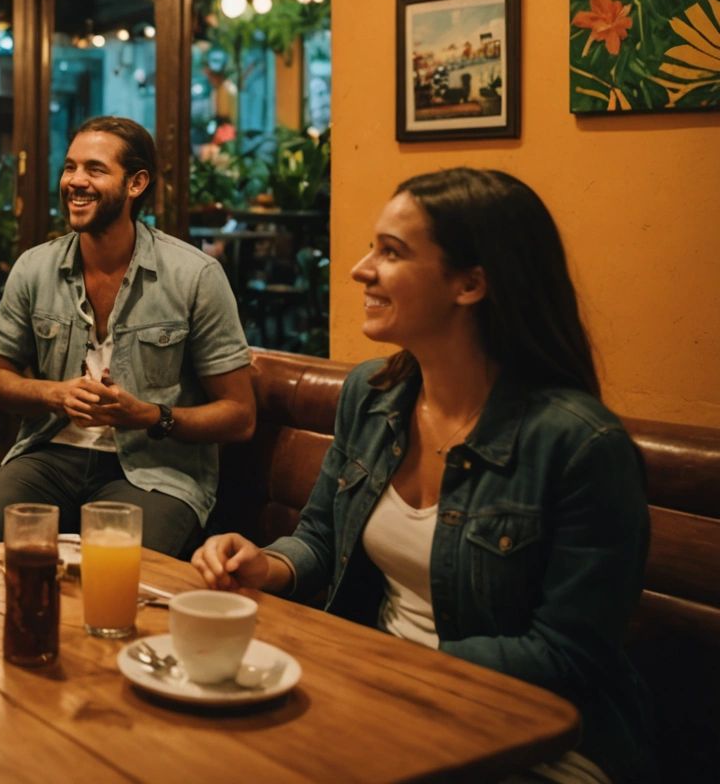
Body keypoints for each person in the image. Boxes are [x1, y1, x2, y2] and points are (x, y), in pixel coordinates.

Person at [192, 169, 652, 783]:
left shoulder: (578, 445)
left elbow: (569, 654)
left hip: (533, 743)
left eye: (391, 252)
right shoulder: (373, 395)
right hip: (378, 699)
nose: (360, 269)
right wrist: (265, 565)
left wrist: (385, 663)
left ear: (471, 284)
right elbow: (322, 539)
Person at [0, 116, 255, 558]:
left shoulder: (195, 275)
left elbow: (240, 415)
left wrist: (149, 415)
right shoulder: (34, 268)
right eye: (70, 167)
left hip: (155, 471)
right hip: (51, 458)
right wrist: (55, 394)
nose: (75, 181)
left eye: (95, 169)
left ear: (136, 183)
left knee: (112, 568)